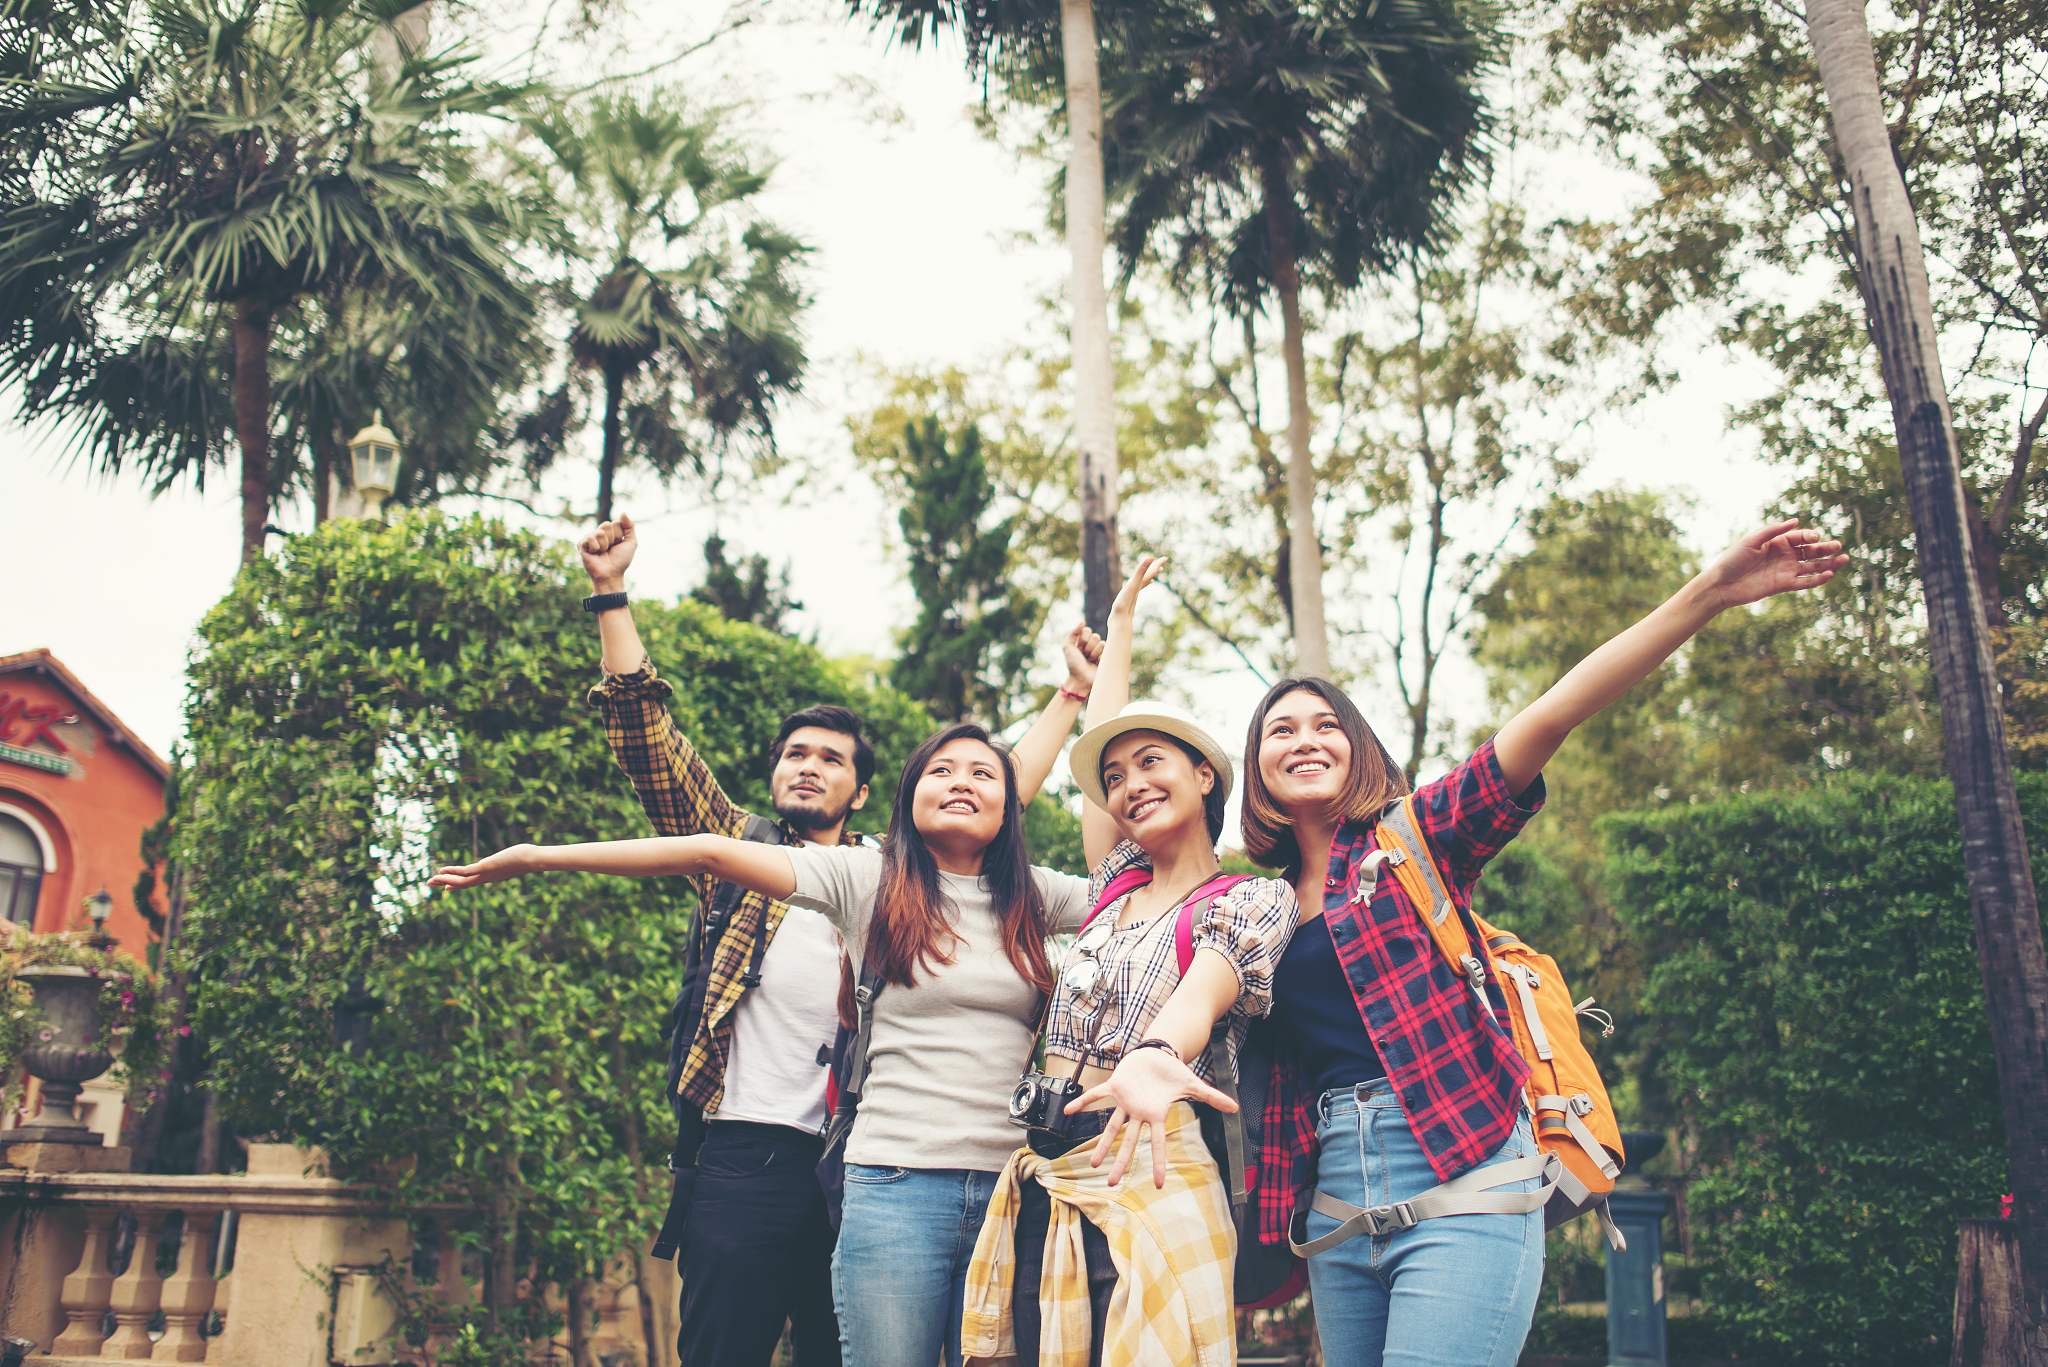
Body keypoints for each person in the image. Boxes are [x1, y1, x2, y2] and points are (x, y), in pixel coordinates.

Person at [1099, 520, 1847, 1367]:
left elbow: (1556, 711)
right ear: (1253, 768)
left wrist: (1710, 590)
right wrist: (1162, 1046)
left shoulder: (1414, 837)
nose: (1303, 738)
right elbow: (1129, 840)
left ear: (1357, 747)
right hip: (1337, 1206)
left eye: (1324, 724)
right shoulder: (1247, 902)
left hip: (1464, 1169)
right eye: (1280, 730)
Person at [430, 664, 1104, 1367]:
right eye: (940, 770)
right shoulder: (856, 875)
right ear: (907, 797)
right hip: (818, 1164)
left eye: (980, 776)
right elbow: (702, 841)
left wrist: (1072, 699)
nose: (962, 782)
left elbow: (1051, 830)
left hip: (938, 1171)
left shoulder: (989, 886)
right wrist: (539, 856)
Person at [569, 515, 1101, 1367]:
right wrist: (610, 593)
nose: (807, 767)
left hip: (865, 1158)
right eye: (793, 754)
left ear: (864, 790)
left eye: (829, 758)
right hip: (747, 1153)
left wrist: (1071, 697)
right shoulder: (742, 859)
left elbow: (994, 796)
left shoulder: (897, 878)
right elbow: (651, 750)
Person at [961, 556, 1300, 1367]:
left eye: (1153, 763)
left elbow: (1205, 985)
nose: (1130, 785)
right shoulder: (1115, 882)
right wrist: (1119, 633)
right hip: (1051, 1165)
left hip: (1153, 1163)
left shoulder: (1248, 900)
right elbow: (1096, 740)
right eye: (1116, 778)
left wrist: (1154, 1053)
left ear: (1203, 774)